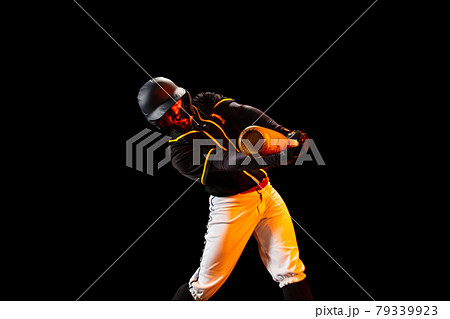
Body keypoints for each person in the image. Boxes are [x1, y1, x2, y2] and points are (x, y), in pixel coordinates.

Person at [137, 77, 313, 301]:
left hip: (266, 194)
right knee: (203, 286)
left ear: (184, 98)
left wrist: (283, 133)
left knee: (291, 272)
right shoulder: (180, 153)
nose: (177, 114)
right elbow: (228, 161)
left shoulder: (205, 102)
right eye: (167, 115)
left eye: (176, 105)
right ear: (159, 123)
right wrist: (277, 157)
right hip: (232, 206)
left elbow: (242, 112)